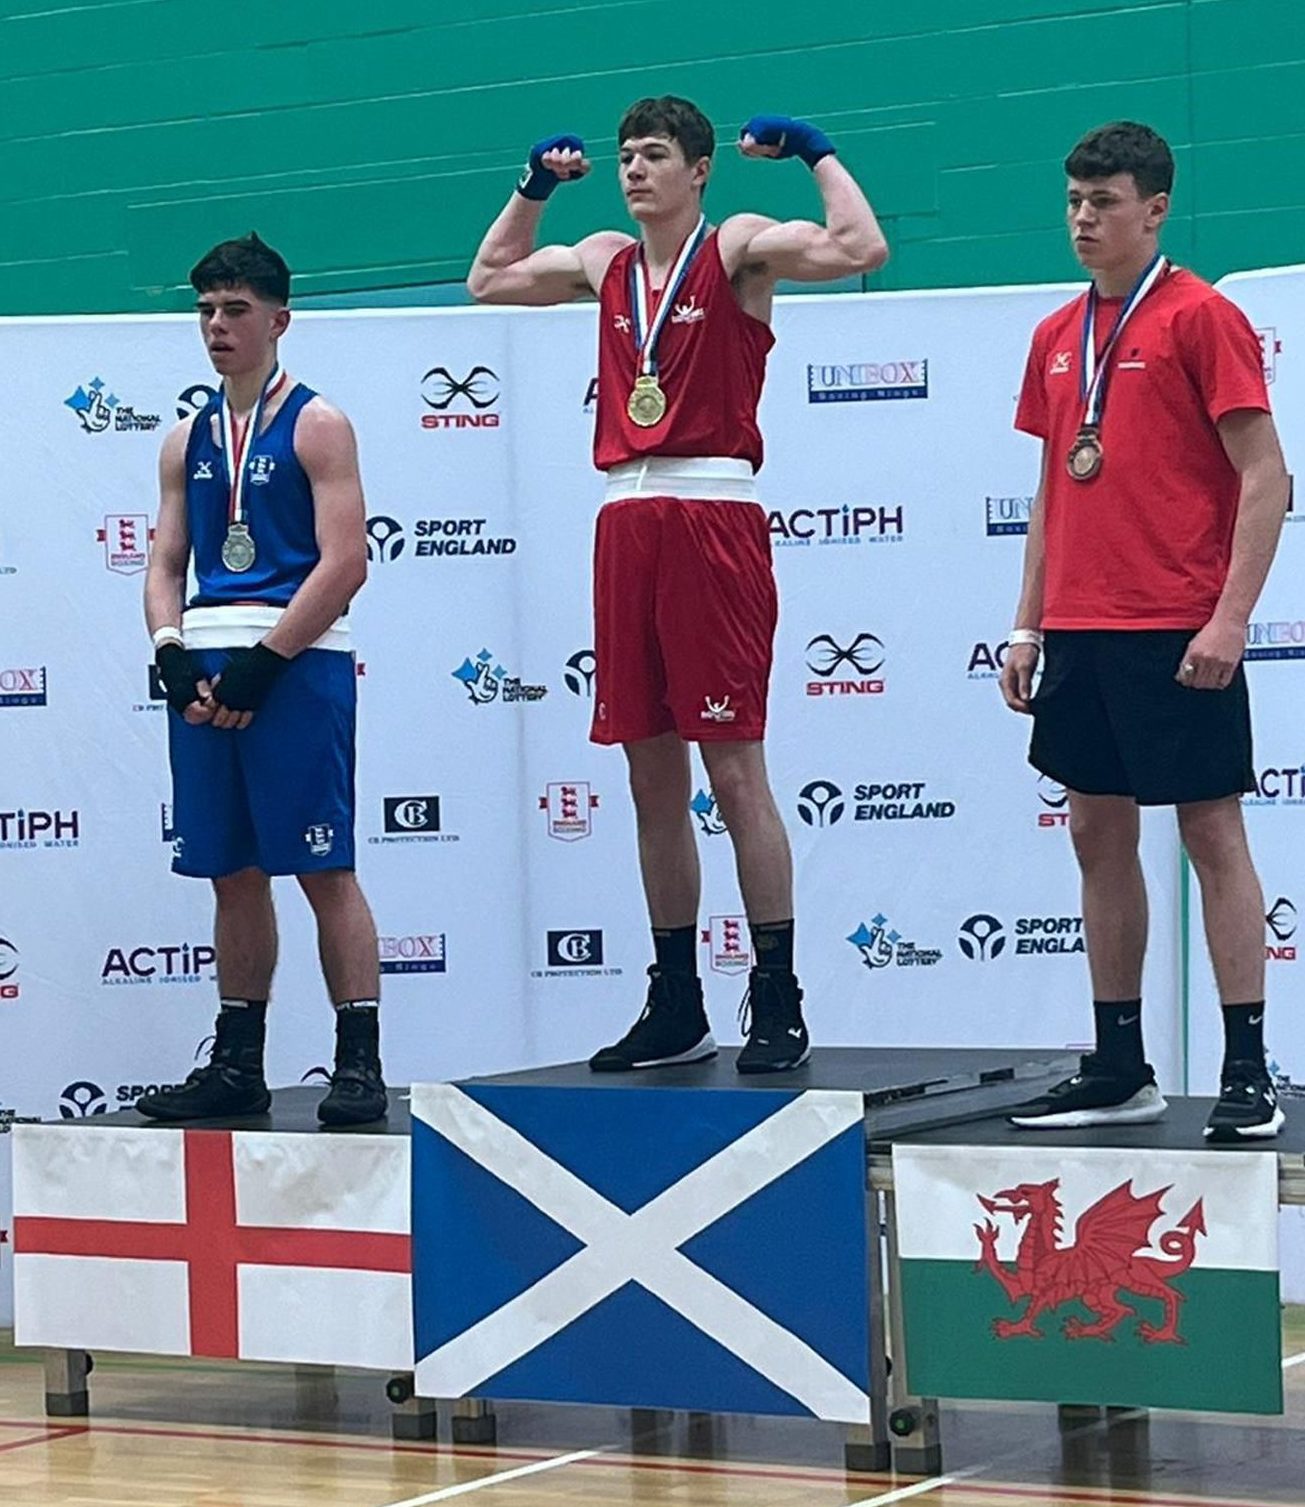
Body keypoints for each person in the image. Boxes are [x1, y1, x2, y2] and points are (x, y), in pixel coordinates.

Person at [467, 96, 887, 1073]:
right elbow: (487, 280)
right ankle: (676, 999)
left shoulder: (737, 244)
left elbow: (861, 246)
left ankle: (777, 992)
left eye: (654, 155)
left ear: (699, 171)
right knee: (648, 774)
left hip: (712, 512)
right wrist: (532, 188)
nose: (633, 169)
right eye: (625, 156)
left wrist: (816, 150)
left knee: (733, 772)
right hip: (625, 519)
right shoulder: (608, 260)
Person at [1000, 123, 1290, 1140]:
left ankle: (1248, 1069)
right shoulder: (1053, 336)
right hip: (1079, 626)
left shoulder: (1202, 316)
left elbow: (1267, 475)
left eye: (1106, 201)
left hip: (1176, 624)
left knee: (1210, 832)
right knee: (1094, 832)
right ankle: (1120, 1062)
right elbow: (1049, 488)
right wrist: (1027, 621)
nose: (1084, 219)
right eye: (1075, 200)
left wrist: (1232, 617)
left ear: (1155, 207)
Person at [138, 232, 386, 1126]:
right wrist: (169, 648)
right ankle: (238, 1062)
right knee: (231, 872)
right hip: (206, 662)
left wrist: (267, 660)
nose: (217, 326)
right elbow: (166, 561)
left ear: (279, 319)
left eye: (235, 310)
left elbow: (345, 560)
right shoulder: (184, 438)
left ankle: (358, 1060)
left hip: (296, 665)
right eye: (205, 310)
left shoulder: (318, 423)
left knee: (323, 864)